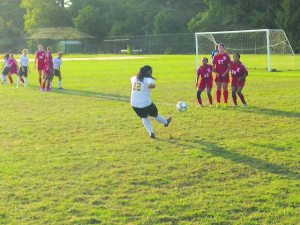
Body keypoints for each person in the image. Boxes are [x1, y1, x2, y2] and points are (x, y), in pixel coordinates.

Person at [130, 65, 172, 139]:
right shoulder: (148, 79)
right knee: (155, 115)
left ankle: (151, 133)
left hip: (134, 104)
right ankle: (166, 122)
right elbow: (151, 84)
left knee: (144, 117)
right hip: (146, 103)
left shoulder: (134, 78)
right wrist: (150, 85)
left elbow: (132, 79)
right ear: (149, 72)